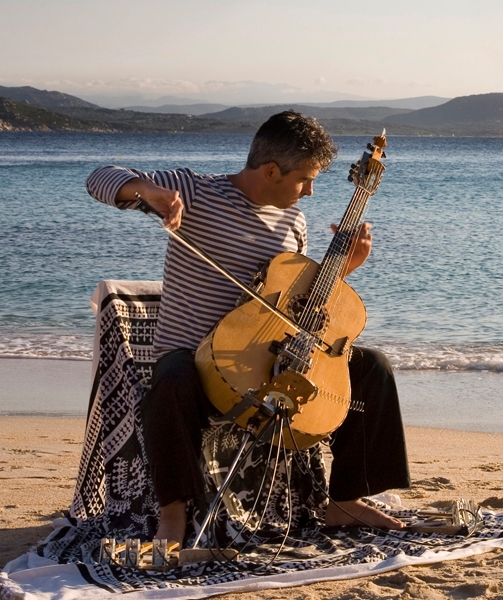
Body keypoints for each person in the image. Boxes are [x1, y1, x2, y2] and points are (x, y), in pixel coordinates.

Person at [86, 110, 410, 546]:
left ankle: (345, 500)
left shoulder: (293, 222)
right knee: (171, 378)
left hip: (265, 357)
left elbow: (297, 303)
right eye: (305, 180)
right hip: (196, 359)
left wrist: (340, 272)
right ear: (271, 171)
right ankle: (173, 514)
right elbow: (100, 178)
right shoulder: (196, 192)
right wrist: (149, 192)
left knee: (373, 367)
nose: (310, 191)